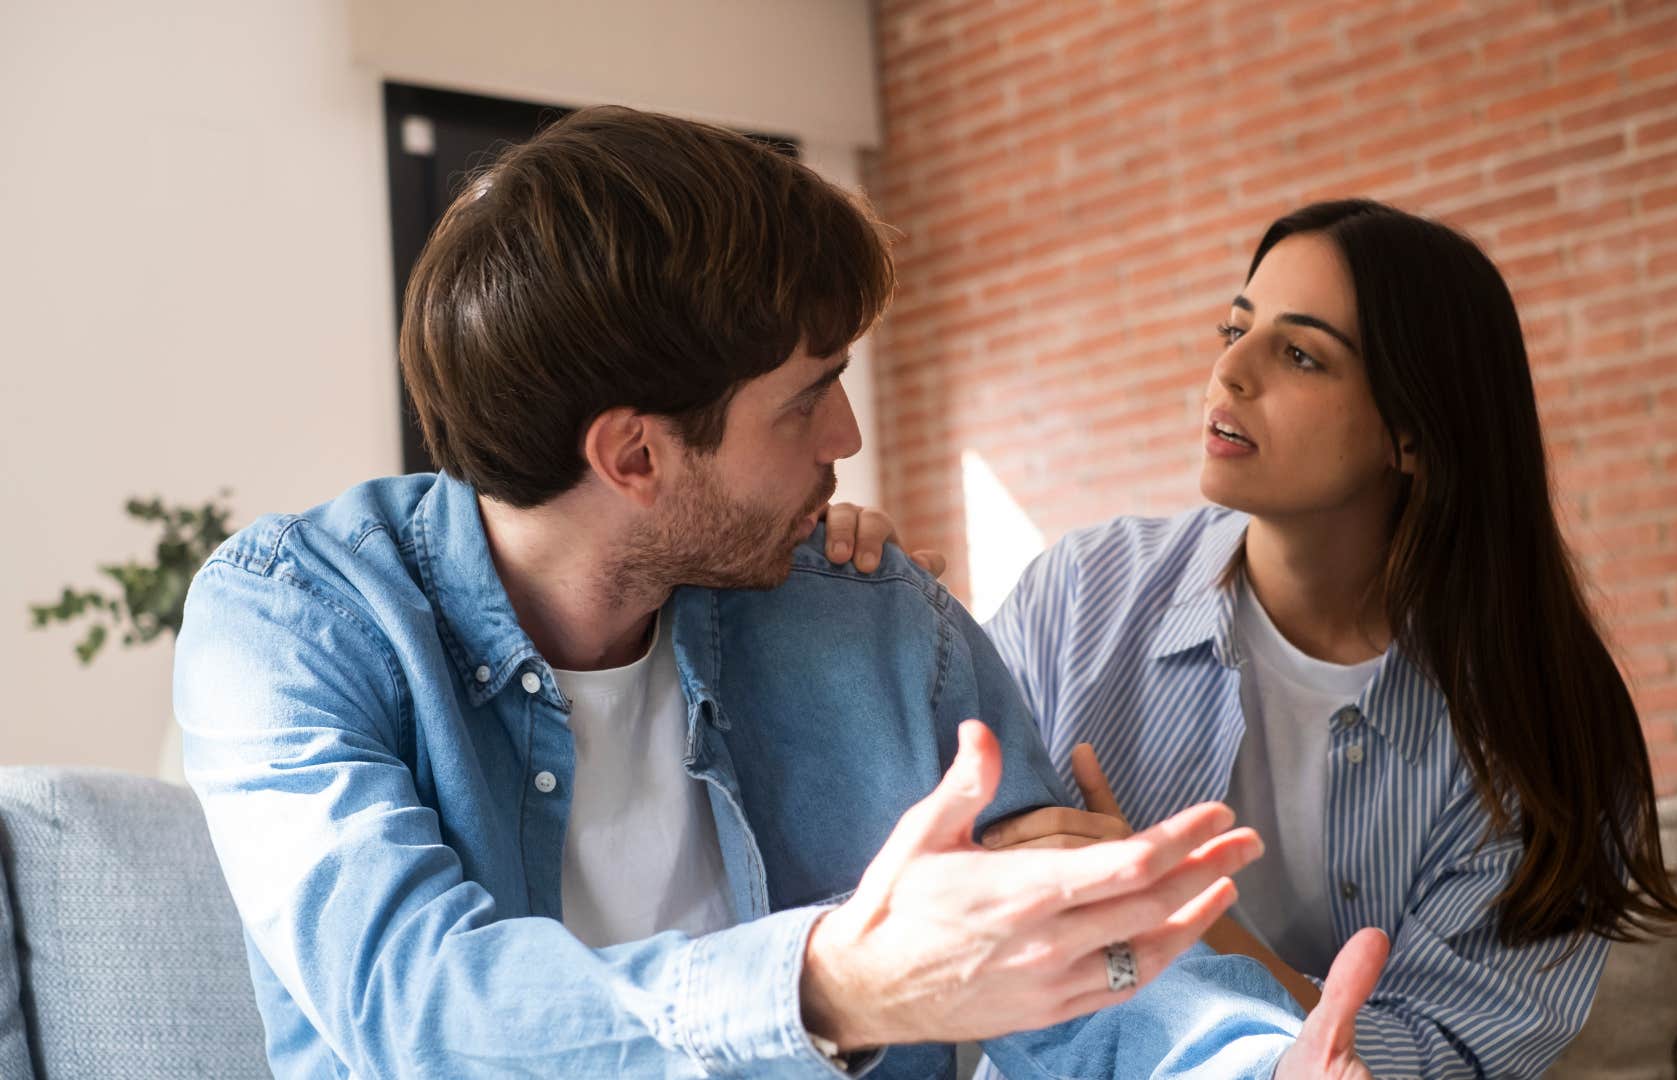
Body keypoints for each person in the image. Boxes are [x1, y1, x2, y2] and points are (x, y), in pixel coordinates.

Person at [174, 106, 1387, 1079]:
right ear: (634, 458)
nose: (849, 435)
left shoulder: (867, 614)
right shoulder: (295, 620)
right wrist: (838, 982)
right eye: (809, 396)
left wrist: (1258, 1062)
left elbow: (1081, 978)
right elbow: (417, 1009)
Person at [829, 199, 1677, 1079]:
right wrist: (864, 615)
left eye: (1300, 354)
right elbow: (901, 878)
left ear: (1414, 433)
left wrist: (1168, 907)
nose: (1230, 372)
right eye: (1234, 327)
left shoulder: (1539, 728)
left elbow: (1429, 1062)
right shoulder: (1082, 594)